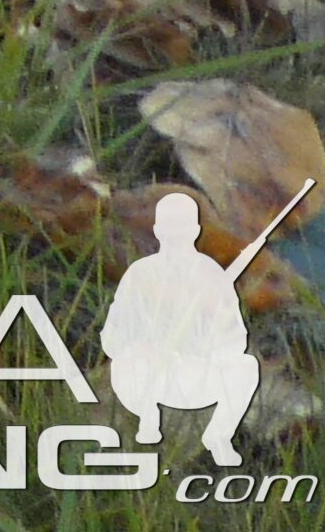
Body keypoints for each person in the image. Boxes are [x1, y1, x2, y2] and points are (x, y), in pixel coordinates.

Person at [102, 188, 260, 466]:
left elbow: (236, 337)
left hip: (195, 372)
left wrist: (209, 339)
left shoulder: (212, 275)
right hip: (146, 374)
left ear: (197, 229)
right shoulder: (140, 272)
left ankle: (218, 438)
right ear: (159, 230)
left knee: (245, 368)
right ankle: (147, 424)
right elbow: (113, 333)